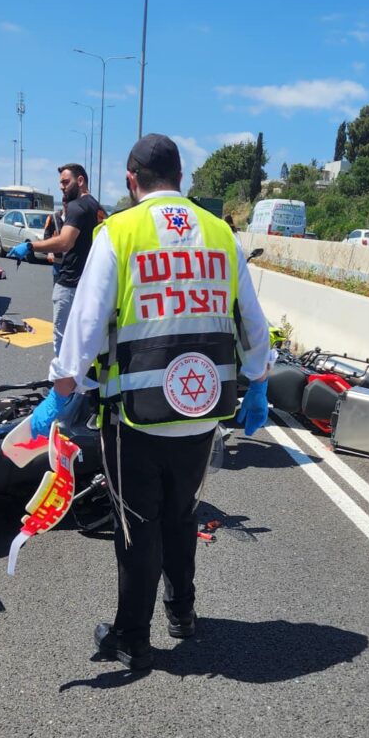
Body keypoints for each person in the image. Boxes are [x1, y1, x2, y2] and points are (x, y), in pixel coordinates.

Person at [34, 134, 271, 671]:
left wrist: (62, 389)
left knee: (136, 525)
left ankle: (131, 636)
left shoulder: (118, 231)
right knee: (181, 516)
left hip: (135, 414)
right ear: (181, 178)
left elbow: (86, 325)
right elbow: (252, 322)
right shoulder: (221, 234)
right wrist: (257, 381)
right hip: (200, 409)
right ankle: (183, 613)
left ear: (130, 179)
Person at [8, 163, 100, 356]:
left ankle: (60, 384)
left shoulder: (77, 207)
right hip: (89, 283)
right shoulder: (95, 206)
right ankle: (77, 383)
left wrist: (30, 246)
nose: (61, 187)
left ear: (80, 181)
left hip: (69, 282)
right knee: (83, 340)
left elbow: (65, 242)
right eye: (60, 183)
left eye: (66, 182)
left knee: (62, 338)